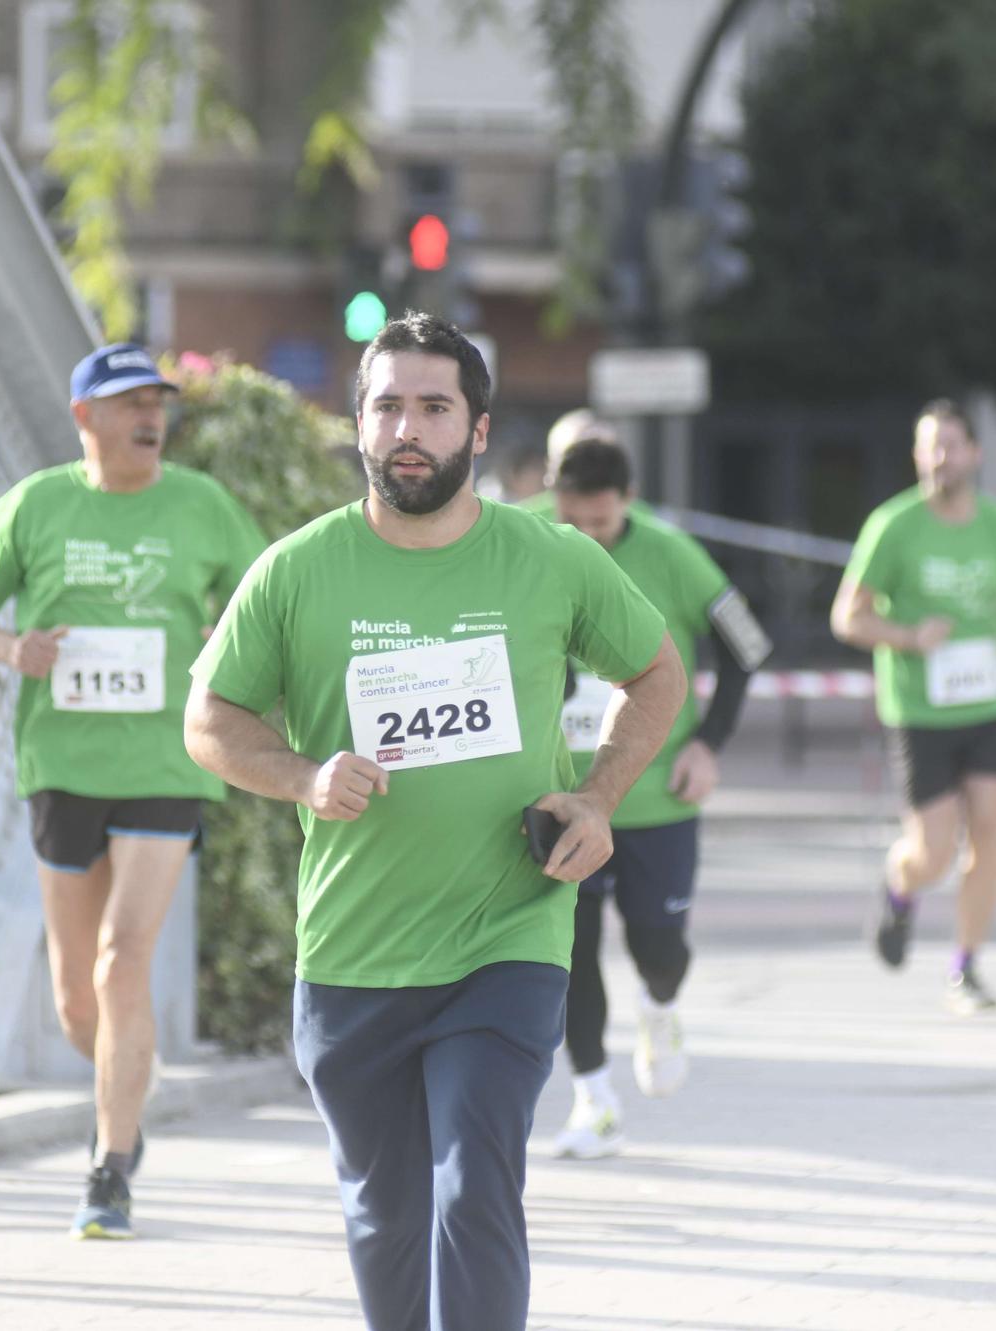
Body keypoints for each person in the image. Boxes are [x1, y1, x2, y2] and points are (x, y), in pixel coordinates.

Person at [183, 311, 685, 1330]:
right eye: (386, 405)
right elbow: (209, 719)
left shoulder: (548, 559)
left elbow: (655, 671)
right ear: (356, 423)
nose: (406, 426)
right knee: (383, 1212)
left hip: (507, 930)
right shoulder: (296, 569)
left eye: (432, 405)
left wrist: (596, 794)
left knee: (474, 1180)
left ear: (478, 426)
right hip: (353, 946)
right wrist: (301, 774)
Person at [0, 341, 265, 1239]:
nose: (149, 417)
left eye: (158, 401)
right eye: (129, 402)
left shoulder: (202, 505)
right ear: (85, 416)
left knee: (126, 957)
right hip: (64, 761)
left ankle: (110, 1165)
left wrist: (224, 650)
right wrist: (13, 650)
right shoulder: (38, 505)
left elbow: (258, 601)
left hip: (167, 762)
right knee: (76, 997)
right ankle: (123, 1079)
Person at [547, 436, 769, 1158]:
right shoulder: (518, 532)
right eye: (573, 520)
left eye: (602, 525)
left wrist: (709, 744)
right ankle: (593, 1098)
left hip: (657, 800)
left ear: (629, 503)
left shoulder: (674, 554)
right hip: (559, 799)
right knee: (568, 958)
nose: (587, 538)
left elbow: (748, 646)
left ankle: (661, 1004)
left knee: (659, 946)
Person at [830, 399, 996, 1013]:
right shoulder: (894, 526)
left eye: (951, 445)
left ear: (975, 454)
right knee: (932, 852)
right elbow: (847, 616)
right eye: (930, 446)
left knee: (991, 834)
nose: (940, 458)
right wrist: (907, 637)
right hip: (919, 710)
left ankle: (966, 967)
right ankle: (900, 889)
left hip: (988, 704)